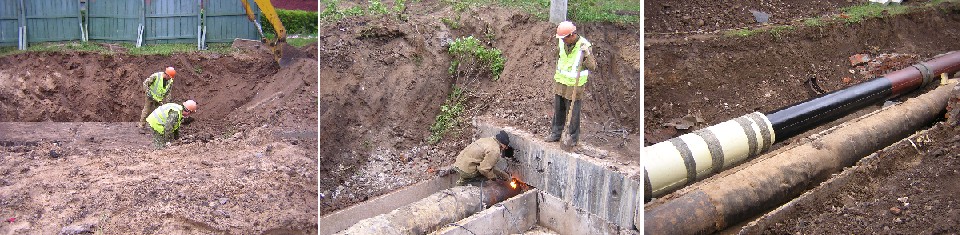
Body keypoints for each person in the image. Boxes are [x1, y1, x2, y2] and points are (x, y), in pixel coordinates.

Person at [545, 21, 597, 146]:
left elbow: (592, 66)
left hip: (575, 86)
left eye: (564, 38)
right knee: (559, 110)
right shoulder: (562, 44)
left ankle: (573, 138)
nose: (562, 41)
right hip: (560, 83)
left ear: (572, 35)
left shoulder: (584, 46)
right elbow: (557, 56)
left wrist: (587, 55)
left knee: (573, 112)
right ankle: (556, 133)